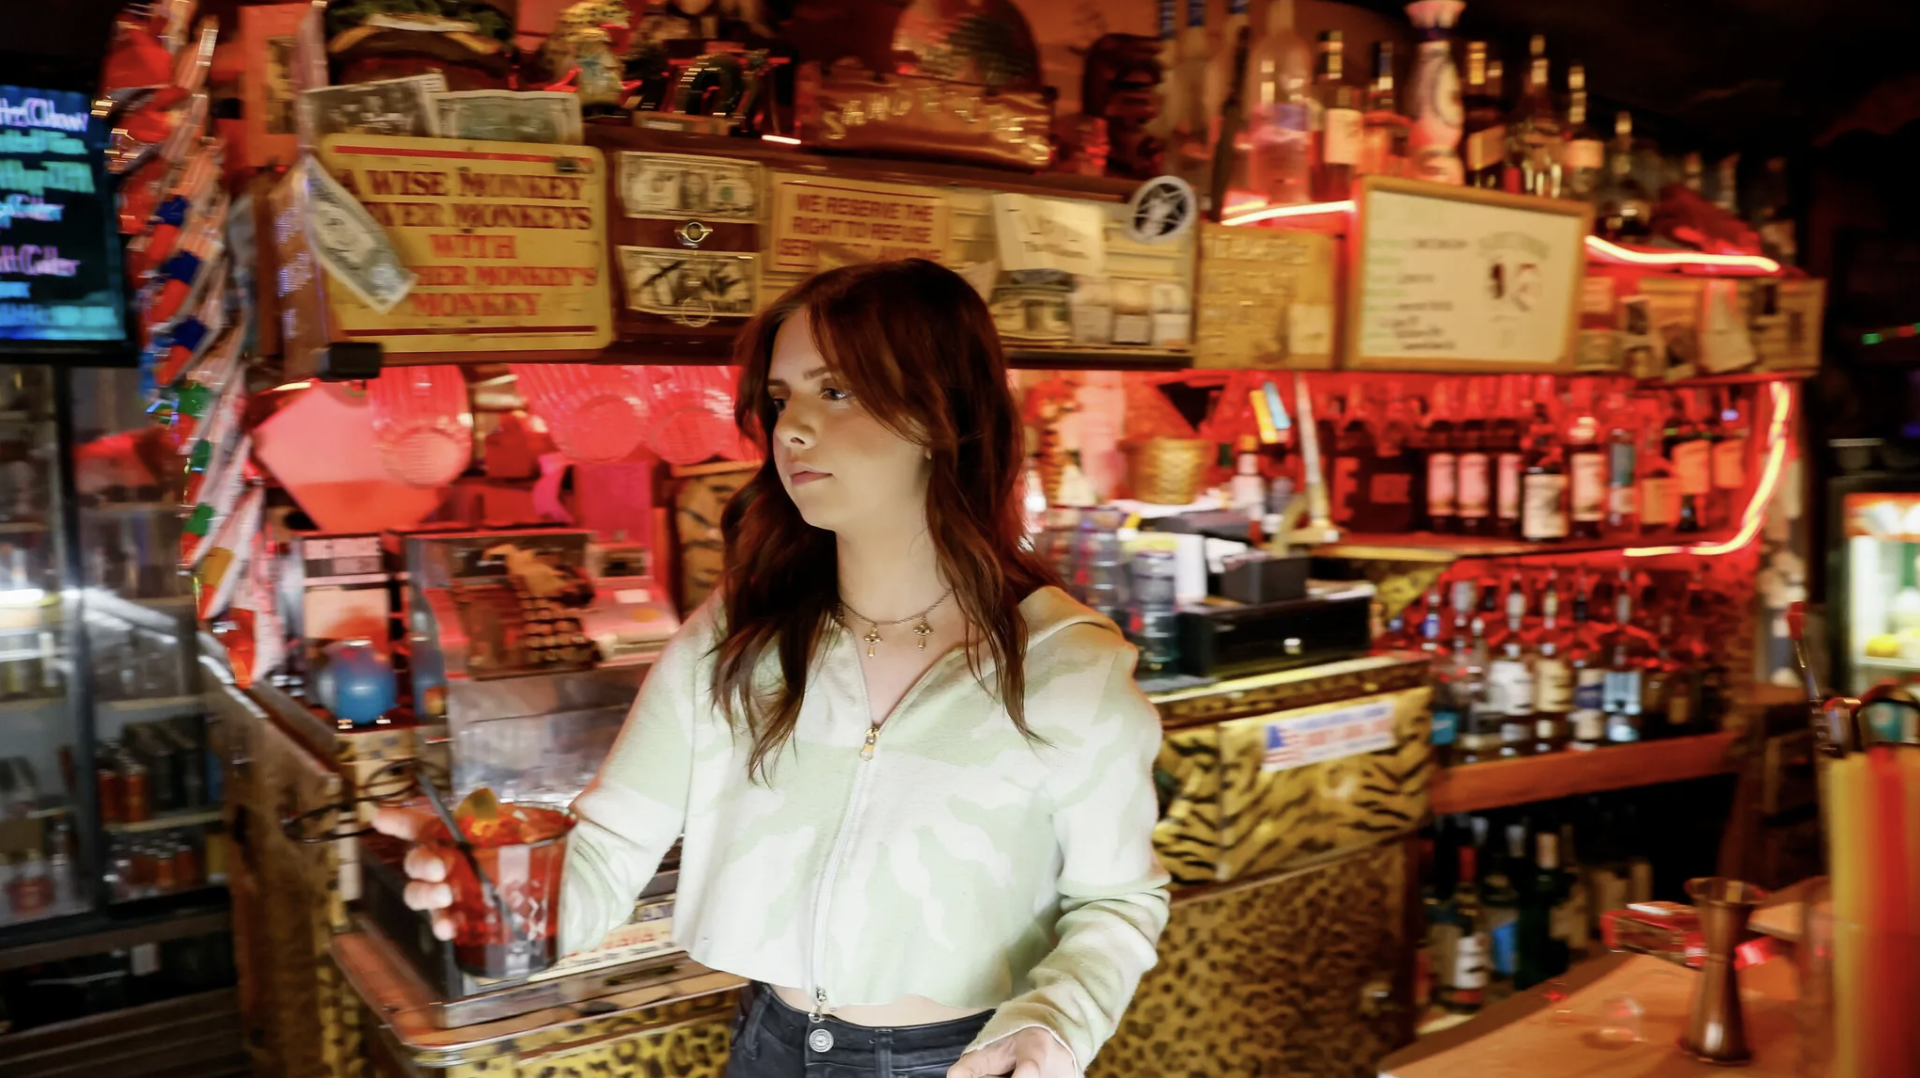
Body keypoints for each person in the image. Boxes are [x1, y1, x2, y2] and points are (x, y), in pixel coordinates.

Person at [376, 259, 1169, 1078]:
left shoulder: (1068, 668)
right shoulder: (738, 632)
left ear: (942, 414)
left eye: (836, 391)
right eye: (783, 397)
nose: (790, 428)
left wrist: (1055, 1022)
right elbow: (611, 841)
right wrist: (503, 883)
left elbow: (1118, 898)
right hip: (771, 1045)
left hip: (965, 1060)